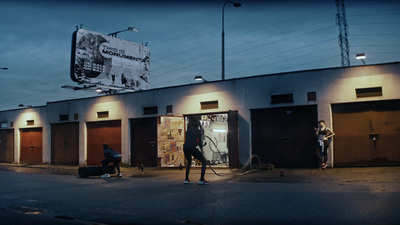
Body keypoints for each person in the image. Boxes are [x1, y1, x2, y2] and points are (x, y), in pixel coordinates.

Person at [183, 120, 209, 185]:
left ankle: (186, 179)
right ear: (198, 125)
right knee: (204, 162)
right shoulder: (198, 131)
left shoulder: (187, 131)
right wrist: (202, 149)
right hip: (192, 148)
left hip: (185, 147)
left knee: (189, 162)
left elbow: (190, 140)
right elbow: (199, 142)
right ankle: (202, 179)